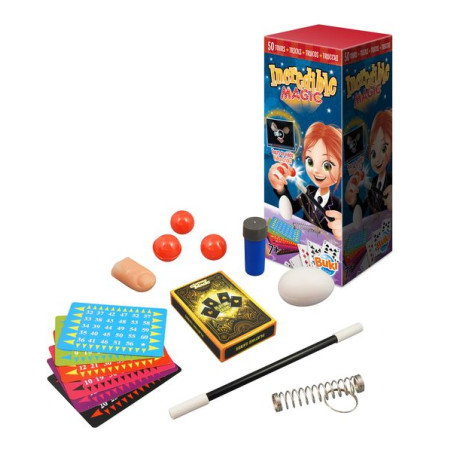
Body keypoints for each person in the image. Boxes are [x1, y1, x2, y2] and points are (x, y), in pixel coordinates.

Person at [268, 122, 343, 240]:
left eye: (327, 165)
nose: (316, 171)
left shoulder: (338, 203)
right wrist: (280, 188)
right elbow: (291, 209)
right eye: (310, 161)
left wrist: (341, 231)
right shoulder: (309, 191)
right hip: (302, 241)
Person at [345, 110, 392, 214]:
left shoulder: (392, 180)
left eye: (383, 149)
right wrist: (353, 200)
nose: (378, 159)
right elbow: (363, 210)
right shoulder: (373, 182)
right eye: (373, 153)